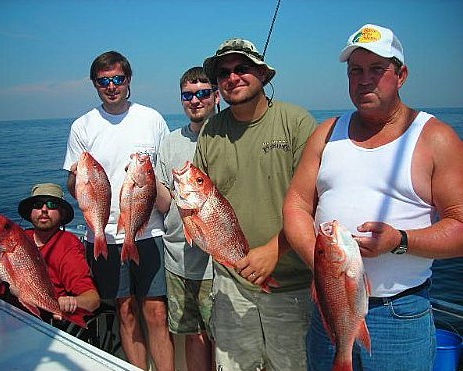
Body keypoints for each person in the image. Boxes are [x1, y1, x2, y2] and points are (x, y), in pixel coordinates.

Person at [283, 24, 463, 370]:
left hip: (399, 316)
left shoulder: (436, 138)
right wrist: (325, 264)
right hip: (329, 308)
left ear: (402, 75)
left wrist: (400, 241)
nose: (364, 80)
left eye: (376, 70)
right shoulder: (326, 133)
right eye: (355, 71)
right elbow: (296, 205)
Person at [195, 38, 318, 370]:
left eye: (242, 68)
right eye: (224, 72)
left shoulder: (296, 122)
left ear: (263, 74)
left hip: (292, 285)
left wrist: (276, 250)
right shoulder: (210, 131)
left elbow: (315, 200)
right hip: (230, 284)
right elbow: (197, 202)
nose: (233, 77)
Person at [63, 51, 174, 370]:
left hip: (149, 230)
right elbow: (74, 188)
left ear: (128, 80)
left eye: (118, 79)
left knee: (156, 312)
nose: (111, 86)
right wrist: (77, 180)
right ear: (95, 84)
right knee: (125, 311)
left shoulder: (151, 119)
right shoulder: (82, 126)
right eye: (104, 81)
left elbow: (163, 175)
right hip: (105, 234)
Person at [155, 66, 220, 371]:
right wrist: (145, 181)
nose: (195, 101)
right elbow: (165, 201)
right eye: (188, 95)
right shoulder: (169, 142)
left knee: (222, 336)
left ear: (216, 96)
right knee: (193, 334)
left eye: (203, 93)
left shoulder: (229, 136)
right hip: (178, 256)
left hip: (219, 259)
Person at [0, 183, 100, 328]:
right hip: (3, 316)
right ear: (30, 213)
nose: (44, 209)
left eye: (52, 204)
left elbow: (93, 300)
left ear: (62, 214)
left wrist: (72, 302)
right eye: (38, 204)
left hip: (36, 323)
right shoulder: (21, 239)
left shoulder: (68, 245)